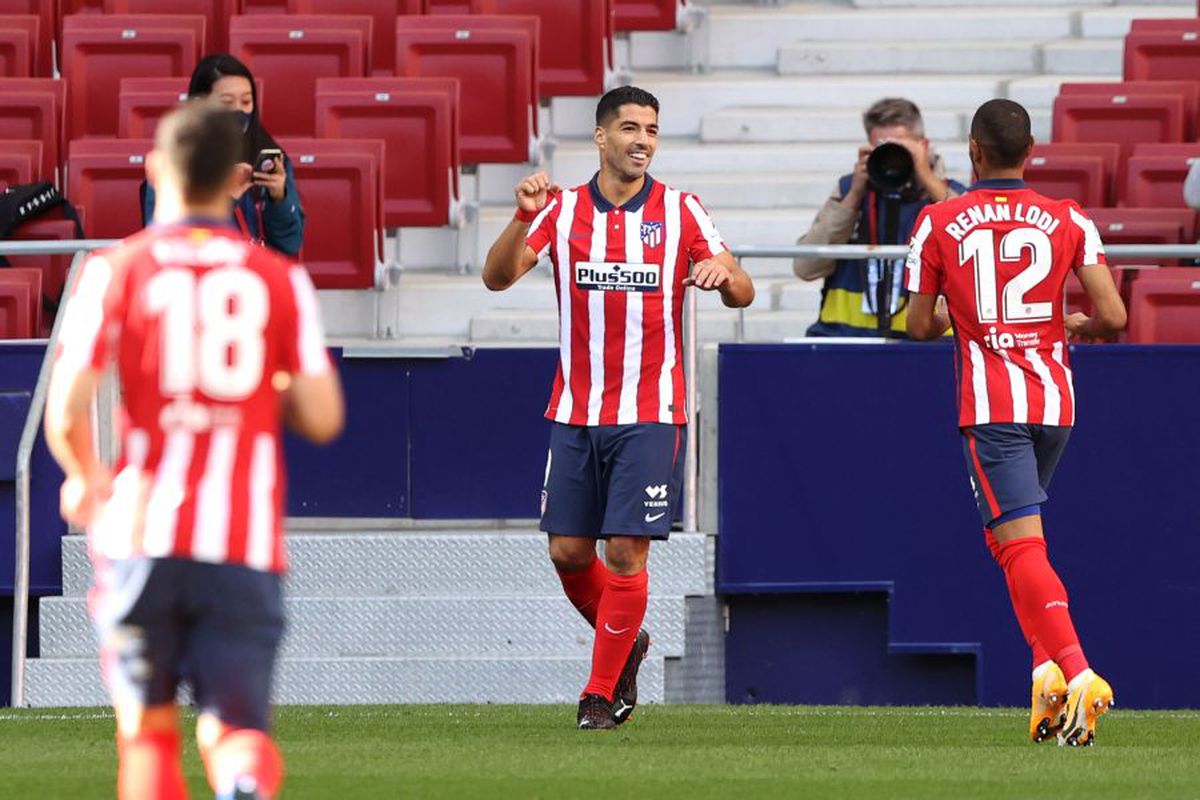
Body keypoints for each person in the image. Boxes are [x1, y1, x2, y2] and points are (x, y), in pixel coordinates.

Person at [45, 102, 344, 799]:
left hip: (141, 535)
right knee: (236, 724)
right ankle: (241, 782)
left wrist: (86, 478)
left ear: (156, 170)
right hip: (238, 543)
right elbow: (324, 417)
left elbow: (65, 409)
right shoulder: (276, 279)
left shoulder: (114, 270)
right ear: (239, 181)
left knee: (147, 731)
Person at [482, 85, 754, 730]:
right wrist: (521, 217)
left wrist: (724, 276)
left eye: (652, 130)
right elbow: (497, 276)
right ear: (600, 137)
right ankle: (625, 637)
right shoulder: (563, 210)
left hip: (651, 409)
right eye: (630, 128)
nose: (642, 141)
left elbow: (741, 288)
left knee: (628, 553)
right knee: (569, 554)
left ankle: (599, 695)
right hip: (575, 410)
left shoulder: (683, 211)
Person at [905, 99, 1127, 746]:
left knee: (1020, 544)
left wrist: (967, 317)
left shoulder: (940, 220)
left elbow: (920, 326)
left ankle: (1079, 672)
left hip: (993, 405)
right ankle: (1043, 675)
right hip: (1055, 404)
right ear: (1031, 152)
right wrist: (1071, 323)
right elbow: (1112, 316)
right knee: (1010, 543)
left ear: (974, 151)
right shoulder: (1068, 218)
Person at [794, 98, 965, 337]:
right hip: (846, 340)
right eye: (883, 149)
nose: (892, 158)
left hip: (926, 345)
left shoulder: (950, 195)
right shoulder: (850, 190)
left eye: (901, 149)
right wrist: (854, 195)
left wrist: (926, 177)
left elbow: (970, 240)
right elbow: (805, 266)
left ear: (923, 145)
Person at [142, 54, 305, 256]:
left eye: (246, 101)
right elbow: (165, 243)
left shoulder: (271, 159)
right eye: (227, 102)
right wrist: (225, 198)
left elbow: (290, 243)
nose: (238, 111)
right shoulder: (176, 165)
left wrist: (279, 197)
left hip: (253, 274)